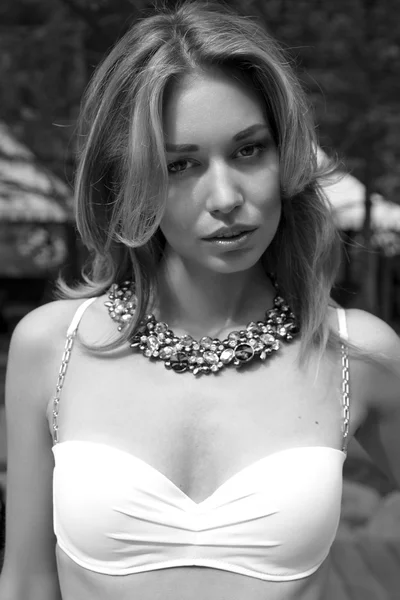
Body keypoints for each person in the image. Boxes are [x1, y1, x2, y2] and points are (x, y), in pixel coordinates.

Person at [1, 1, 399, 599]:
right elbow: (28, 581)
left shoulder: (357, 356)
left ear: (285, 155)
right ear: (132, 177)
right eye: (180, 164)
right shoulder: (51, 348)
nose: (225, 197)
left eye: (248, 150)